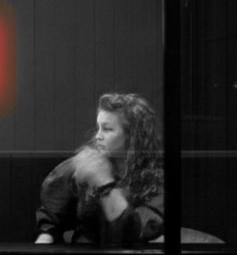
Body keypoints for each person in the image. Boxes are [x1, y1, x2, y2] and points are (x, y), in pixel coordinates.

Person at [34, 91, 164, 246]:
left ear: (132, 136)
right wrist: (46, 237)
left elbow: (133, 233)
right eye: (98, 128)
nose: (97, 136)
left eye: (107, 129)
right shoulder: (89, 162)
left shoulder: (156, 177)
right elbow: (52, 211)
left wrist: (104, 183)